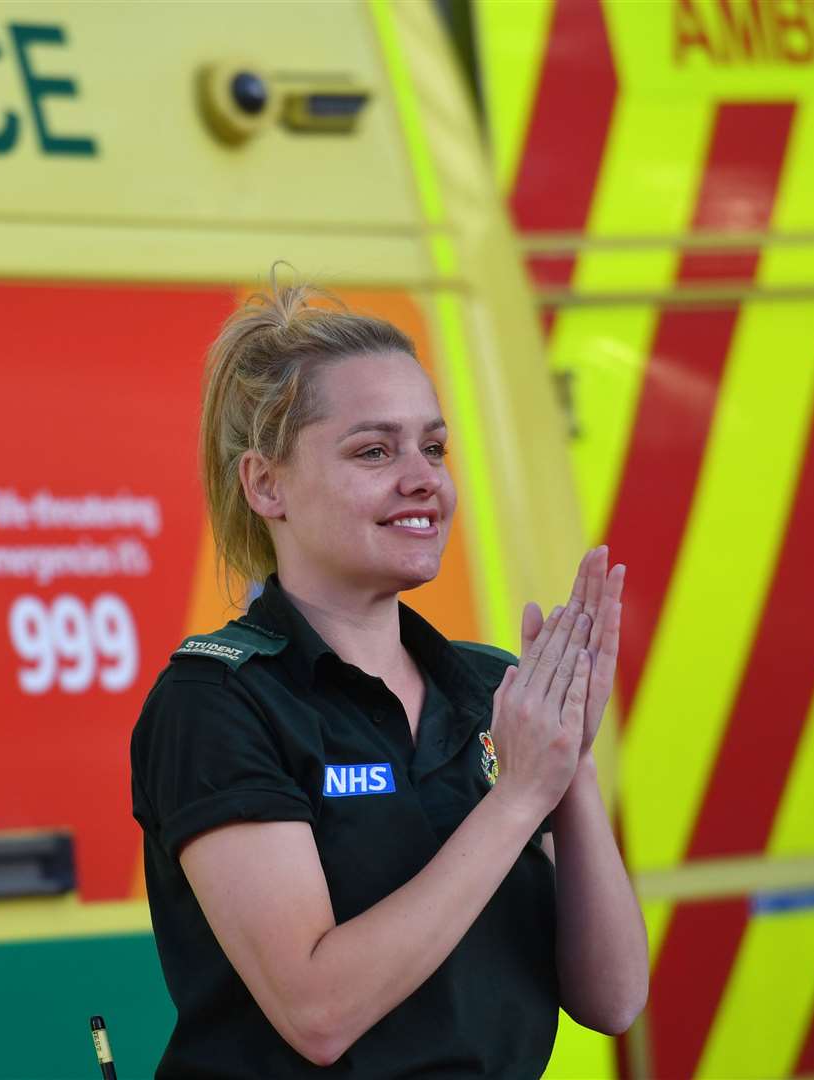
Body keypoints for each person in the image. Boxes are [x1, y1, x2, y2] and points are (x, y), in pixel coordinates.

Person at [130, 279, 648, 1077]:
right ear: (266, 485)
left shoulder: (485, 688)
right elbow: (318, 1012)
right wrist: (515, 798)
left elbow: (611, 1001)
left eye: (432, 448)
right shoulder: (218, 702)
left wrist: (566, 767)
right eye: (374, 451)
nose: (422, 480)